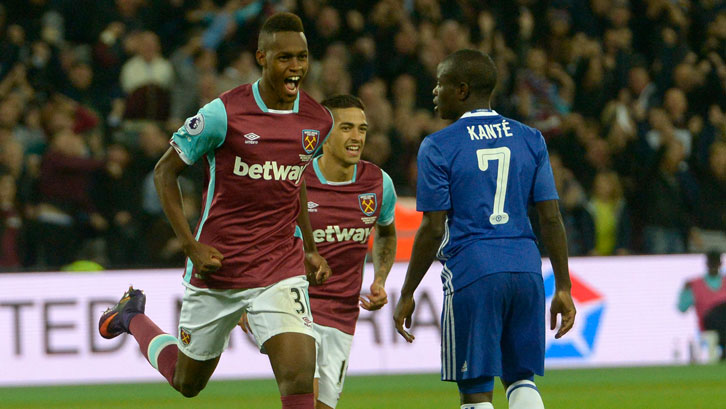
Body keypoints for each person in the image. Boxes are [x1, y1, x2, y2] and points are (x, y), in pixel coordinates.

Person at [98, 12, 333, 409]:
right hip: (219, 266)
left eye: (302, 57)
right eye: (284, 58)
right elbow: (163, 172)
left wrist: (309, 246)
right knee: (186, 381)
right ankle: (131, 317)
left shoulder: (317, 120)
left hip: (280, 267)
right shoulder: (224, 113)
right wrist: (190, 246)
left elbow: (297, 178)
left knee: (299, 374)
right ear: (262, 57)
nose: (296, 68)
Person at [393, 49, 576, 409]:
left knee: (475, 391)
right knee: (520, 379)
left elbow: (432, 228)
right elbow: (551, 218)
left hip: (473, 270)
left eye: (440, 83)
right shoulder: (531, 138)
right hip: (526, 269)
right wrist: (564, 286)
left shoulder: (438, 145)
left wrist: (408, 291)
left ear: (461, 90)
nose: (434, 91)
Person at [240, 94, 398, 409]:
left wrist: (379, 278)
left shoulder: (378, 184)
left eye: (362, 129)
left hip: (341, 314)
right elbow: (253, 236)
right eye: (347, 128)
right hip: (291, 302)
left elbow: (387, 232)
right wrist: (243, 296)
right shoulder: (293, 179)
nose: (357, 137)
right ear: (324, 133)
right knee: (305, 401)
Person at [678, 251, 726, 361]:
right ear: (707, 264)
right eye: (711, 263)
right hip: (709, 324)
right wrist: (685, 292)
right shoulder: (695, 284)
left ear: (720, 264)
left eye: (715, 263)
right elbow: (682, 308)